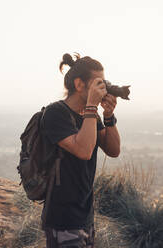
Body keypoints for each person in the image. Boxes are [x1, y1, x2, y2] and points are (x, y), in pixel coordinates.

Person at [41, 53, 120, 248]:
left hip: (85, 216)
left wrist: (108, 116)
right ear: (79, 84)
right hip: (62, 219)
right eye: (97, 83)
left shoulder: (90, 116)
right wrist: (93, 106)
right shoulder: (55, 114)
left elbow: (114, 150)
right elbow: (84, 151)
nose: (103, 89)